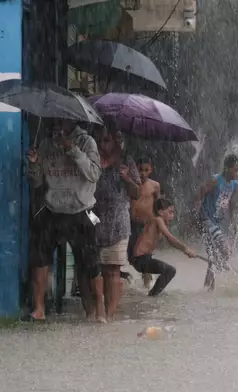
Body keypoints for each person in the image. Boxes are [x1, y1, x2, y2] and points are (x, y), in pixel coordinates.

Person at [26, 118, 105, 322]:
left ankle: (98, 309)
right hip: (53, 208)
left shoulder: (87, 142)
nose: (57, 125)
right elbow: (36, 182)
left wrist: (72, 149)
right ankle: (39, 308)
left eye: (61, 120)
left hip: (85, 210)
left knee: (90, 262)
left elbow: (94, 174)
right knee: (40, 257)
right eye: (54, 121)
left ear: (71, 120)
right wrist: (34, 164)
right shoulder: (45, 144)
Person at [92, 125, 140, 322]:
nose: (103, 145)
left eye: (107, 140)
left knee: (112, 269)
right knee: (96, 269)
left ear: (115, 141)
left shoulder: (126, 162)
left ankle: (109, 315)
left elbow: (136, 193)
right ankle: (97, 311)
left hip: (118, 222)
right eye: (100, 140)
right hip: (93, 217)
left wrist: (127, 178)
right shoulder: (92, 159)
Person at [194, 154, 238, 290]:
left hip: (219, 223)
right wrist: (195, 213)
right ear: (227, 168)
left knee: (213, 257)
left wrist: (233, 223)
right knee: (224, 250)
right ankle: (215, 276)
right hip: (207, 220)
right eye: (235, 170)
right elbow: (198, 195)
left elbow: (231, 205)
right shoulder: (215, 180)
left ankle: (208, 289)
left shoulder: (234, 184)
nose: (237, 173)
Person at [131, 198, 197, 296]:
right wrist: (186, 249)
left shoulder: (156, 221)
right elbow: (170, 239)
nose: (172, 215)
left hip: (142, 259)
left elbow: (167, 243)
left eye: (173, 213)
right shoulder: (158, 219)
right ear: (160, 212)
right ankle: (152, 296)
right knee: (170, 270)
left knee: (163, 271)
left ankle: (150, 292)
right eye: (170, 212)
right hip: (140, 260)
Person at [128, 156, 161, 289]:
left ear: (150, 170)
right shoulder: (131, 184)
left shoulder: (155, 185)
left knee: (145, 255)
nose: (142, 173)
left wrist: (160, 226)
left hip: (148, 225)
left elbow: (159, 206)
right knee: (132, 256)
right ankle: (134, 277)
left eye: (146, 170)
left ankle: (147, 286)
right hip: (132, 224)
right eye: (140, 169)